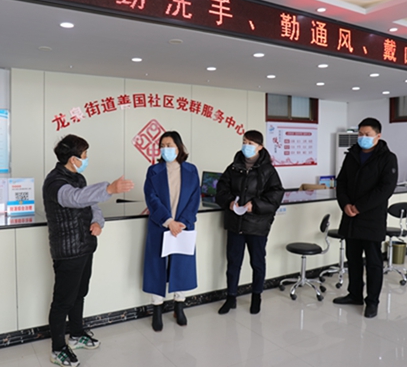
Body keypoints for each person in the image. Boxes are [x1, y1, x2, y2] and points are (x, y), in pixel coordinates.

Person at [43, 134, 134, 367]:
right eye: (84, 155)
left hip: (85, 246)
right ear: (73, 159)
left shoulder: (79, 177)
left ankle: (76, 334)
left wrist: (97, 222)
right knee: (62, 301)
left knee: (79, 293)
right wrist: (109, 188)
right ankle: (58, 348)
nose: (86, 159)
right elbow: (75, 198)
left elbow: (92, 205)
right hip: (68, 251)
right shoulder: (54, 182)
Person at [333, 117, 398, 319]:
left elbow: (385, 189)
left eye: (367, 134)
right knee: (352, 259)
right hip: (350, 217)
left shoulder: (387, 158)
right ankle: (354, 295)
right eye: (360, 134)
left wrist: (359, 207)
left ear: (378, 136)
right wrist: (345, 204)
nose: (363, 138)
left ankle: (372, 301)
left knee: (373, 262)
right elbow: (341, 182)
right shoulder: (352, 154)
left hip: (371, 218)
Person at [215, 130, 284, 315]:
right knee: (233, 262)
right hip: (235, 223)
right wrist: (229, 202)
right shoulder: (233, 167)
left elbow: (276, 196)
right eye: (245, 142)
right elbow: (220, 190)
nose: (246, 146)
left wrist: (256, 205)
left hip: (257, 225)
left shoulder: (268, 170)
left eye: (251, 143)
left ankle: (256, 296)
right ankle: (231, 297)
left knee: (257, 262)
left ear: (260, 147)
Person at [143, 131, 201, 332]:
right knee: (156, 266)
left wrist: (182, 222)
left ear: (179, 147)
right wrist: (168, 221)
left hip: (183, 227)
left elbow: (194, 199)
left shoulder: (191, 170)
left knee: (181, 266)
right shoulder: (154, 171)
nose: (165, 149)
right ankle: (157, 308)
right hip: (161, 225)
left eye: (169, 145)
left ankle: (179, 305)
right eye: (162, 145)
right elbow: (151, 198)